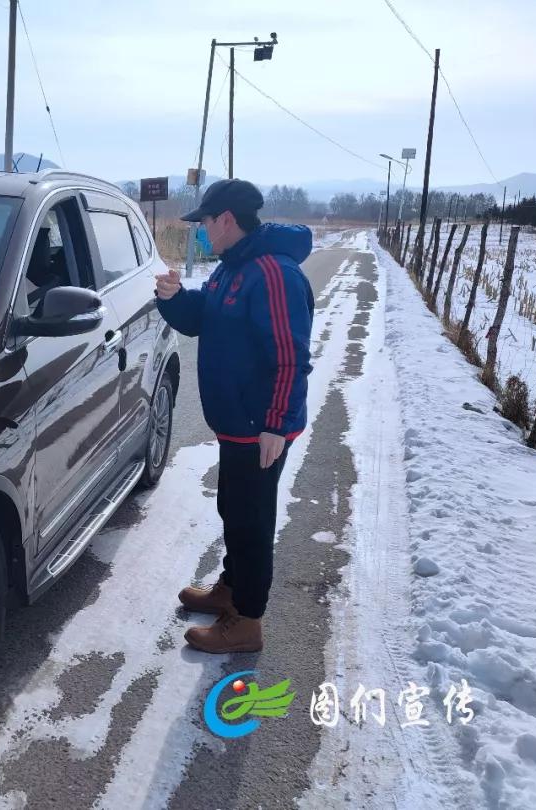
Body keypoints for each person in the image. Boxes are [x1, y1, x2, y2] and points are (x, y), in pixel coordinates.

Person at [154, 179, 314, 654]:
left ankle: (247, 621)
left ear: (225, 219)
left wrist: (276, 425)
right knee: (234, 510)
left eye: (204, 223)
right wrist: (174, 298)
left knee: (253, 519)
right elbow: (203, 317)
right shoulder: (232, 269)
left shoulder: (273, 273)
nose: (201, 232)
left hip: (259, 427)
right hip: (237, 425)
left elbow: (290, 356)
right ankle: (232, 586)